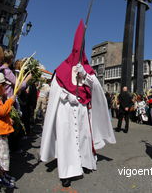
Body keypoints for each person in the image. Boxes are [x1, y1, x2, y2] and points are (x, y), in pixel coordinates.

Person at [40, 20, 116, 187]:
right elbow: (55, 91)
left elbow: (96, 88)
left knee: (82, 136)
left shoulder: (87, 68)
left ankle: (85, 162)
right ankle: (67, 171)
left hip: (82, 109)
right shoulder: (62, 68)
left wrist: (86, 75)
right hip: (65, 109)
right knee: (66, 138)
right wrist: (67, 96)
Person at [0, 72, 17, 189]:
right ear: (0, 86)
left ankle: (4, 176)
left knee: (4, 157)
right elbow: (2, 111)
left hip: (2, 134)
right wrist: (11, 100)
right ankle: (1, 179)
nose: (5, 88)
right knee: (1, 159)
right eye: (4, 86)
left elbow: (1, 116)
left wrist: (8, 120)